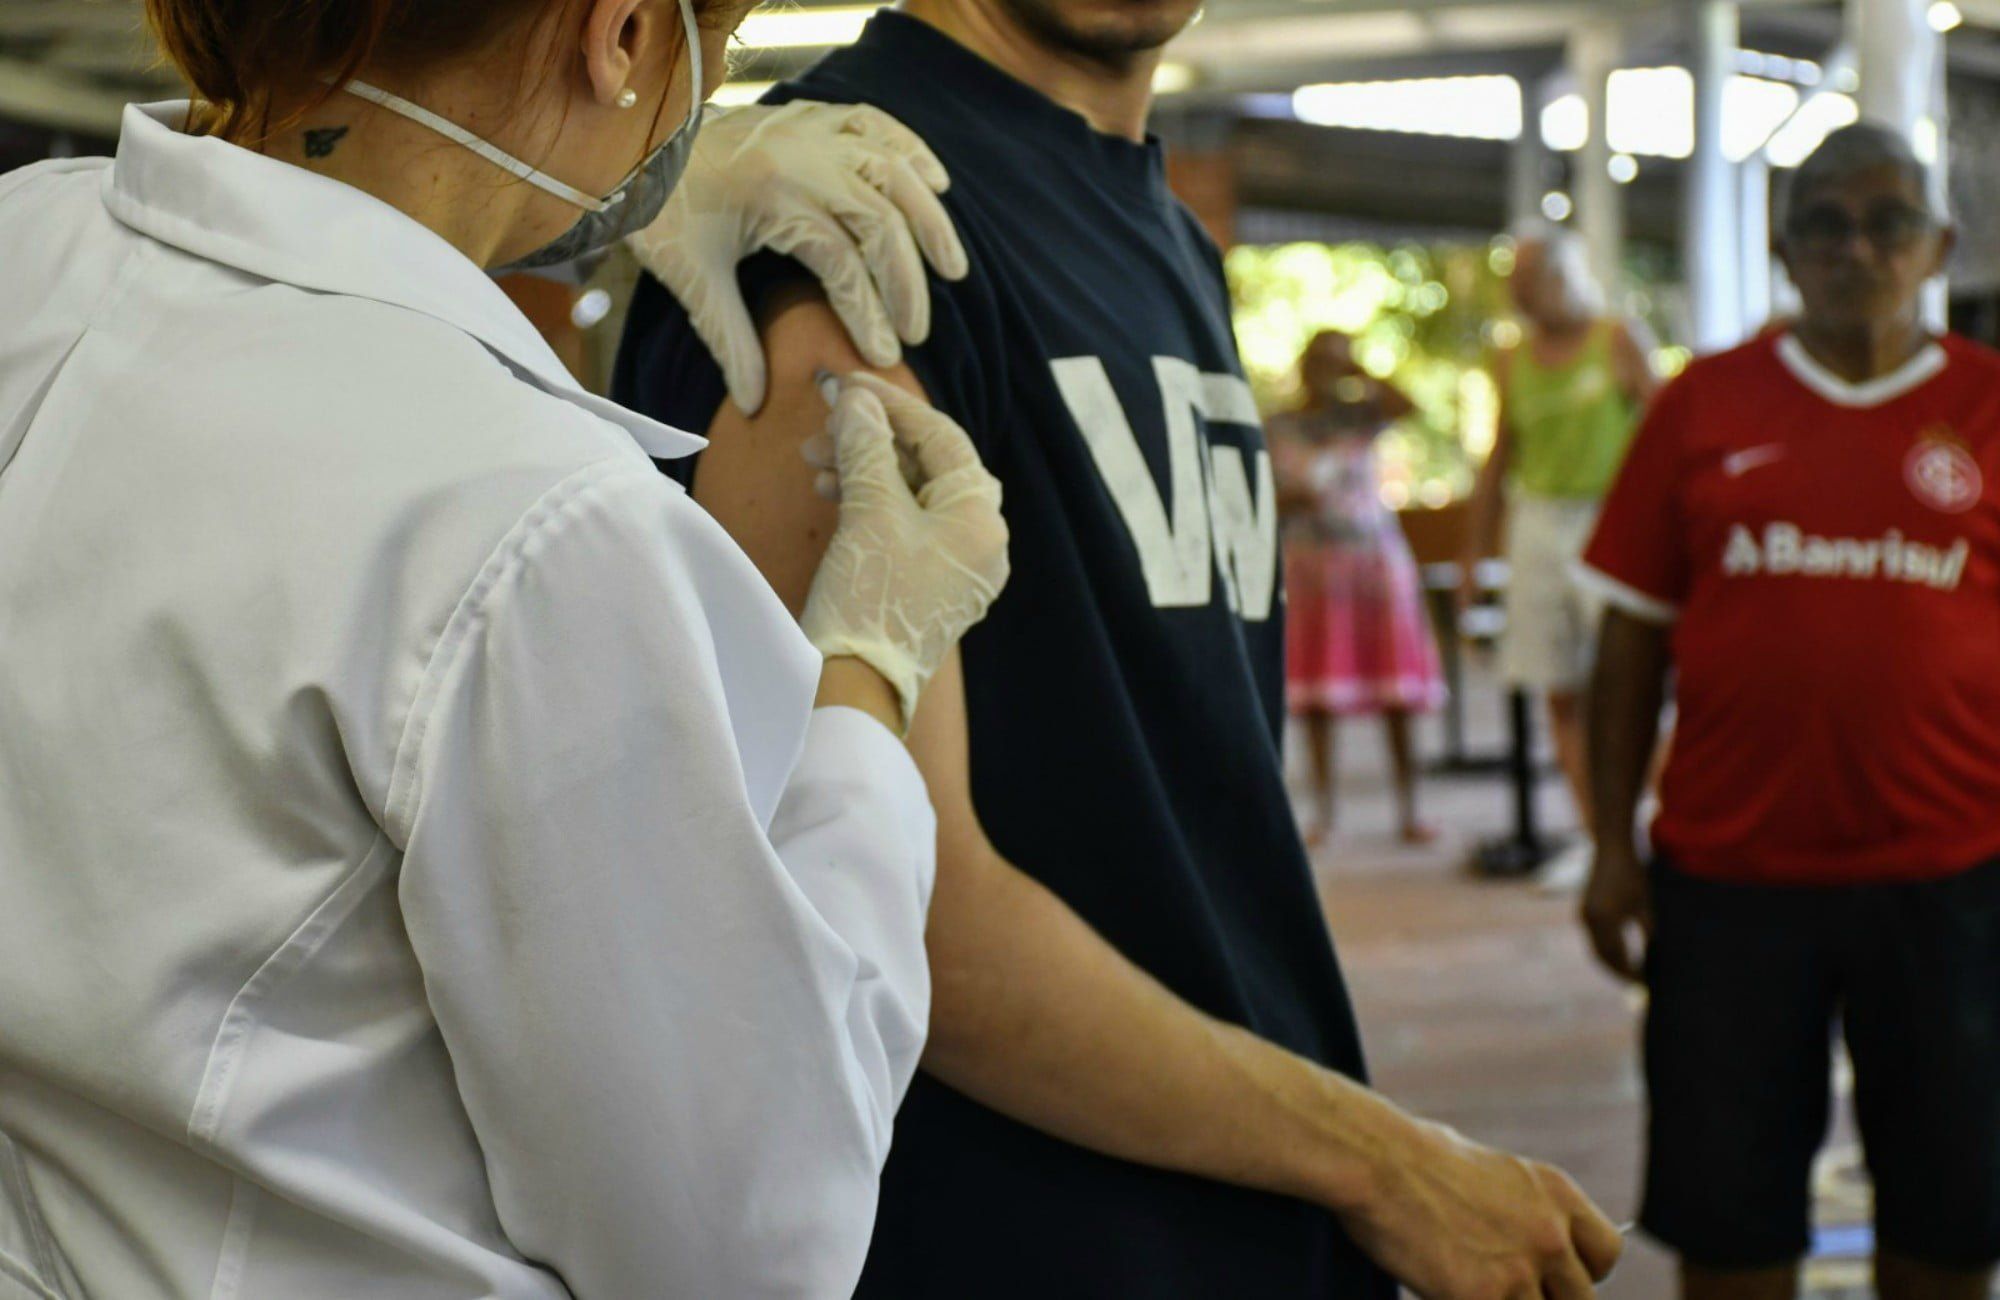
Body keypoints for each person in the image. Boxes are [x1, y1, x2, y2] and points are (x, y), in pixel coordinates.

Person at [0, 0, 1012, 1294]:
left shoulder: (30, 242)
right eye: (718, 53)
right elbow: (743, 1244)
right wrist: (867, 671)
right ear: (623, 33)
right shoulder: (531, 520)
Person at [616, 1, 1623, 1296]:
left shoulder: (1162, 231)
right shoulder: (841, 209)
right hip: (1012, 1236)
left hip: (1239, 1193)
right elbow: (887, 898)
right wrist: (1383, 1162)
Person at [1579, 123, 2000, 1300]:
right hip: (1730, 885)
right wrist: (1609, 846)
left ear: (1937, 247)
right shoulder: (1701, 404)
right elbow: (1628, 640)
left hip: (1951, 883)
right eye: (1822, 224)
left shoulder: (1986, 404)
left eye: (1886, 222)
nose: (1853, 248)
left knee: (1950, 1221)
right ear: (1782, 248)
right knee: (1729, 1225)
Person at [1463, 226, 1654, 879]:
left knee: (1625, 682)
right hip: (1537, 523)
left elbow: (1664, 433)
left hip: (1611, 520)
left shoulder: (1618, 339)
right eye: (1514, 286)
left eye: (1530, 282)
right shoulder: (1511, 359)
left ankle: (1639, 823)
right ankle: (1600, 840)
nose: (1521, 297)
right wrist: (1475, 554)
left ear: (1565, 276)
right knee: (1560, 689)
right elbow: (1499, 456)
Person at [1272, 330, 1446, 847]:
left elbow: (1410, 407)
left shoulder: (1364, 416)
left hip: (1374, 566)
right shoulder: (1280, 425)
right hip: (1311, 569)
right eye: (1321, 361)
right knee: (1316, 694)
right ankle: (1323, 813)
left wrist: (1361, 372)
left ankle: (1410, 809)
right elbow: (1263, 492)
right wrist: (1295, 499)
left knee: (1396, 689)